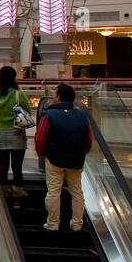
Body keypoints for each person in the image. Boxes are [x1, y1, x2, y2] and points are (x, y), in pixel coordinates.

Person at [35, 84, 92, 232]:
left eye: (55, 94)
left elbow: (40, 137)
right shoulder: (81, 115)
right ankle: (77, 224)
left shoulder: (48, 115)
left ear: (59, 97)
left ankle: (53, 223)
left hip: (54, 158)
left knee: (54, 191)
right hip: (76, 159)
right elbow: (89, 138)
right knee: (77, 192)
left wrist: (42, 154)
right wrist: (83, 152)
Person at [0, 65, 29, 196]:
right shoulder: (18, 94)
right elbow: (26, 110)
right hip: (16, 132)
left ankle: (3, 191)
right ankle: (18, 193)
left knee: (3, 167)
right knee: (17, 168)